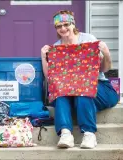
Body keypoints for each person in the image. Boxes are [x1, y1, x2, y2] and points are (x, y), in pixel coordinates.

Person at [41, 10, 119, 149]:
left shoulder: (88, 39)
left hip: (99, 88)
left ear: (73, 24)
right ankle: (65, 133)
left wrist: (106, 52)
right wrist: (43, 57)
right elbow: (51, 78)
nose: (63, 28)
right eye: (59, 26)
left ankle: (89, 134)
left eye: (66, 24)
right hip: (71, 91)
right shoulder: (57, 47)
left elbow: (105, 69)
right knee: (61, 94)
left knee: (83, 91)